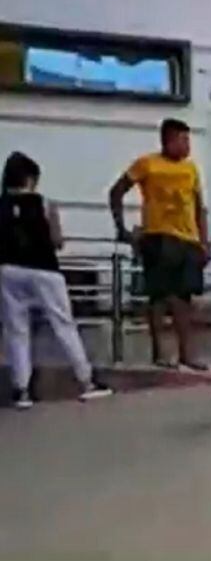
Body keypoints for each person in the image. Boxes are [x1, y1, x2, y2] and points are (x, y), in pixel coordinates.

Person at [1, 152, 113, 409]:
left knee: (17, 330)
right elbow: (56, 241)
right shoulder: (45, 204)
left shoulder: (1, 205)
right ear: (30, 178)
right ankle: (86, 382)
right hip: (44, 270)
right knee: (63, 324)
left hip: (7, 271)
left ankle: (22, 390)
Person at [109, 118, 209, 371]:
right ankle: (159, 352)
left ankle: (186, 353)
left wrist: (204, 241)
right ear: (168, 140)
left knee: (185, 297)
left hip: (188, 238)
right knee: (160, 296)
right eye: (182, 140)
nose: (187, 146)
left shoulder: (191, 169)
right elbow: (117, 191)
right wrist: (121, 228)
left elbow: (199, 206)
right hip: (158, 236)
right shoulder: (147, 164)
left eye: (189, 140)